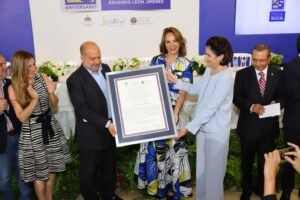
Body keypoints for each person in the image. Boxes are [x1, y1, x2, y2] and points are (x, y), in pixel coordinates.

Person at [166, 36, 234, 200]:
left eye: (209, 55)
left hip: (216, 133)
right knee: (203, 174)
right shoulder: (210, 70)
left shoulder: (226, 78)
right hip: (203, 130)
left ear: (221, 57)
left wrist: (188, 127)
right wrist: (177, 81)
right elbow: (196, 88)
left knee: (214, 176)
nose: (206, 58)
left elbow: (210, 108)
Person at [134, 27, 193, 200]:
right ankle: (159, 190)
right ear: (164, 43)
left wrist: (175, 114)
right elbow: (148, 85)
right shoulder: (156, 60)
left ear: (180, 42)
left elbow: (183, 91)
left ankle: (174, 190)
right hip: (155, 114)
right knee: (156, 152)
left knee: (174, 154)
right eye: (168, 41)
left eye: (175, 41)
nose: (172, 45)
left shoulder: (185, 63)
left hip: (175, 112)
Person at [8, 50, 71, 200]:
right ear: (20, 67)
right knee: (39, 174)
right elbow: (22, 118)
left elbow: (54, 106)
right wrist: (34, 99)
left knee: (52, 170)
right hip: (32, 133)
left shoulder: (42, 77)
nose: (33, 68)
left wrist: (51, 93)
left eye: (34, 64)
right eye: (29, 66)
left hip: (50, 127)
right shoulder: (13, 88)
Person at [67, 41, 122, 200]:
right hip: (91, 134)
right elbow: (83, 110)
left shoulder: (106, 69)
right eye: (92, 58)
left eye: (99, 57)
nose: (97, 61)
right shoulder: (75, 80)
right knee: (89, 172)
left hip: (110, 129)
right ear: (82, 58)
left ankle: (108, 195)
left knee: (109, 167)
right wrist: (107, 124)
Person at [233, 44, 282, 200]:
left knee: (264, 162)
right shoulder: (242, 74)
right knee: (246, 162)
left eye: (262, 60)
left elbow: (284, 96)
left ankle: (263, 190)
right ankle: (246, 190)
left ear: (268, 58)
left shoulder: (278, 74)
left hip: (269, 128)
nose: (258, 64)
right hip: (248, 127)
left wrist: (277, 103)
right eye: (255, 60)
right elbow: (237, 98)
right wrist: (252, 106)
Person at [0, 54, 32, 200]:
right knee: (4, 181)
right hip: (2, 141)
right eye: (0, 65)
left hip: (19, 135)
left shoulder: (11, 84)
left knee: (25, 174)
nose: (4, 68)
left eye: (4, 64)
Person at [280, 35, 300, 200]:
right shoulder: (290, 67)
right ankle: (286, 192)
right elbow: (294, 95)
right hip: (295, 123)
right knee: (290, 158)